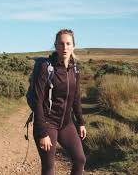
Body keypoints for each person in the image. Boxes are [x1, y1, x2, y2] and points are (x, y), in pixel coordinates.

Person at [33, 29, 87, 175]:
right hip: (47, 123)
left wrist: (81, 122)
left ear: (73, 46)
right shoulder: (46, 67)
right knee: (49, 168)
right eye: (61, 44)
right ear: (56, 45)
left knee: (80, 159)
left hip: (65, 123)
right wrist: (42, 132)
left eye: (68, 44)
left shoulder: (74, 69)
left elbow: (76, 98)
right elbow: (37, 101)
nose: (65, 47)